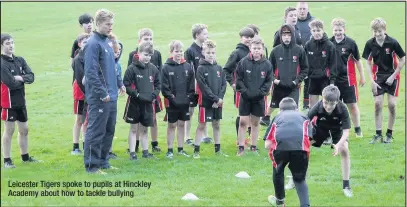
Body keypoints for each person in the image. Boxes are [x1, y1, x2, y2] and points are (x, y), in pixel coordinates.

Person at [83, 9, 125, 174]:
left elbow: (112, 68)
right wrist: (103, 93)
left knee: (109, 130)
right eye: (107, 24)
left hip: (112, 95)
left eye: (112, 24)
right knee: (96, 131)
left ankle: (104, 162)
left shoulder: (107, 42)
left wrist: (119, 83)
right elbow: (91, 73)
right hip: (100, 97)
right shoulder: (93, 44)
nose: (110, 27)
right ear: (98, 23)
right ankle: (92, 166)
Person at [362, 17, 405, 144]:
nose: (377, 34)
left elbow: (403, 58)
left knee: (392, 104)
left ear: (384, 30)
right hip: (378, 77)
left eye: (379, 31)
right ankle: (378, 134)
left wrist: (394, 76)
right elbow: (368, 63)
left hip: (392, 76)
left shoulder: (392, 43)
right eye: (375, 31)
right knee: (377, 104)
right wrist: (372, 80)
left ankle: (389, 134)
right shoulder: (370, 44)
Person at [1, 33, 40, 168]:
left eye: (12, 42)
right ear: (2, 46)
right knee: (9, 130)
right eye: (7, 43)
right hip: (8, 102)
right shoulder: (2, 63)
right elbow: (10, 84)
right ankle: (7, 160)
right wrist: (22, 79)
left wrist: (20, 78)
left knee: (24, 130)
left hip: (21, 101)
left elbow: (31, 76)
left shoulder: (20, 60)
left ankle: (25, 157)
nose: (11, 45)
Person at [264, 97, 311, 207]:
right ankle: (305, 205)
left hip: (280, 149)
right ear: (296, 109)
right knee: (299, 179)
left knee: (278, 171)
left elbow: (267, 144)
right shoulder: (304, 116)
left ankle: (280, 201)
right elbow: (310, 137)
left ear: (280, 110)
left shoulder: (277, 117)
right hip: (300, 149)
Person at [308, 85, 353, 197]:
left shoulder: (342, 109)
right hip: (321, 128)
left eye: (332, 104)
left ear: (337, 101)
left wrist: (338, 145)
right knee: (302, 147)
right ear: (322, 99)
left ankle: (346, 186)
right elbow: (305, 121)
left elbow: (346, 132)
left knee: (344, 150)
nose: (328, 107)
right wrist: (305, 137)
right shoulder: (317, 106)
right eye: (325, 103)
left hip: (337, 130)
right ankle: (296, 178)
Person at [263, 24, 308, 126]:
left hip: (294, 86)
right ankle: (266, 117)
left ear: (293, 36)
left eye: (289, 35)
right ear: (280, 36)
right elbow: (269, 69)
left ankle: (295, 125)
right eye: (284, 35)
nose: (286, 38)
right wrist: (275, 80)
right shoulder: (275, 51)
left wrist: (296, 81)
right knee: (274, 104)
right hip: (279, 84)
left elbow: (305, 69)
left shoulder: (299, 50)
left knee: (293, 107)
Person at [127, 28, 162, 153]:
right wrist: (136, 94)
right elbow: (129, 78)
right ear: (139, 41)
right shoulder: (133, 55)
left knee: (152, 119)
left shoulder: (156, 54)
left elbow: (159, 75)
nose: (149, 41)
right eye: (146, 39)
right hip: (138, 96)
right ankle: (134, 146)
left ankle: (154, 143)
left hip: (152, 94)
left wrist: (155, 93)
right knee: (136, 123)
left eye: (151, 39)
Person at [236, 36, 273, 156]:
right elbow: (239, 78)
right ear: (250, 49)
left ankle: (253, 147)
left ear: (262, 49)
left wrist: (260, 93)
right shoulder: (243, 62)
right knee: (243, 122)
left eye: (259, 48)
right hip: (245, 98)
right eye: (254, 48)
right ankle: (241, 147)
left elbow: (268, 81)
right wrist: (244, 91)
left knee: (255, 123)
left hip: (259, 99)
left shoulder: (267, 64)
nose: (256, 50)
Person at [329, 18, 366, 138]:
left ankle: (357, 129)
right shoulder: (329, 43)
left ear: (344, 30)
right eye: (335, 30)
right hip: (334, 81)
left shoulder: (351, 43)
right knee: (334, 106)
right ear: (332, 30)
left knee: (352, 105)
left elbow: (358, 61)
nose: (338, 32)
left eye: (340, 30)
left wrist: (362, 76)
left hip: (349, 80)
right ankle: (337, 130)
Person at [194, 39, 228, 158]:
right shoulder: (200, 69)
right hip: (206, 102)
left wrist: (219, 99)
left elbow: (224, 85)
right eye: (208, 52)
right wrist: (215, 99)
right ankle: (196, 151)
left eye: (213, 53)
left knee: (216, 124)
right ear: (203, 52)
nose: (210, 55)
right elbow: (204, 88)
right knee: (202, 125)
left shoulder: (219, 68)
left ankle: (218, 150)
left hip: (218, 102)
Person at [161, 40, 195, 158]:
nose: (179, 53)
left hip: (184, 102)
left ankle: (180, 149)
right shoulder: (166, 67)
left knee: (181, 124)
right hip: (172, 103)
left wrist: (188, 97)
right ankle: (170, 150)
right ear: (171, 52)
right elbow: (164, 87)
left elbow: (191, 85)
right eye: (176, 51)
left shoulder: (187, 66)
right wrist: (171, 97)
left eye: (181, 51)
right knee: (172, 125)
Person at [223, 26, 255, 146]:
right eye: (246, 37)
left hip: (254, 89)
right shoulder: (236, 53)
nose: (249, 39)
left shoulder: (254, 51)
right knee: (243, 115)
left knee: (253, 115)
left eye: (251, 37)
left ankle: (251, 139)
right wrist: (233, 83)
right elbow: (226, 69)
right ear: (241, 38)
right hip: (241, 90)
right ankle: (240, 140)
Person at [184, 23, 212, 145]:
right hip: (193, 87)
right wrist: (194, 85)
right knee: (190, 111)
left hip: (204, 86)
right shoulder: (190, 51)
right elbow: (189, 70)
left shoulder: (206, 50)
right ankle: (187, 137)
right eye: (204, 33)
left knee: (203, 110)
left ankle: (205, 135)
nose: (207, 35)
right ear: (197, 35)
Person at [304, 19, 337, 109]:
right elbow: (305, 62)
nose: (316, 33)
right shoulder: (308, 45)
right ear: (311, 31)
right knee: (312, 107)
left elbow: (333, 64)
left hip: (325, 80)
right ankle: (313, 123)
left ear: (323, 30)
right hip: (312, 79)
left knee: (326, 106)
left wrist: (332, 82)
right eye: (314, 31)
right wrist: (306, 75)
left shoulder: (329, 45)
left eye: (318, 30)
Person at [71, 33, 91, 155]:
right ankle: (75, 146)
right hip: (80, 92)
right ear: (79, 44)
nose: (86, 44)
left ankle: (86, 144)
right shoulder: (79, 58)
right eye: (84, 42)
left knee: (87, 119)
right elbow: (80, 79)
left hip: (88, 92)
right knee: (79, 119)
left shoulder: (90, 55)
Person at [296, 2, 315, 111]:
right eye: (300, 9)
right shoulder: (292, 21)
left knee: (309, 81)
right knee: (296, 80)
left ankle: (306, 105)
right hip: (295, 57)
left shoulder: (313, 21)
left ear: (307, 9)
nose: (302, 11)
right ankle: (294, 104)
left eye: (304, 9)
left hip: (310, 57)